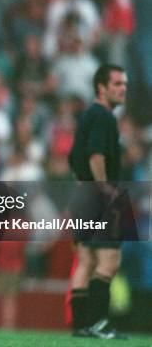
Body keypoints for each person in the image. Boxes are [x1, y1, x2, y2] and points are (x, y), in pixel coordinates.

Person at [67, 63, 128, 339]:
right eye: (117, 84)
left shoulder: (86, 116)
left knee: (86, 261)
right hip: (98, 194)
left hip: (81, 192)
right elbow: (95, 155)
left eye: (124, 84)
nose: (123, 88)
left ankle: (81, 325)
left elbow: (74, 157)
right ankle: (98, 322)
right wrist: (104, 190)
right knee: (110, 260)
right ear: (101, 88)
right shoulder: (103, 117)